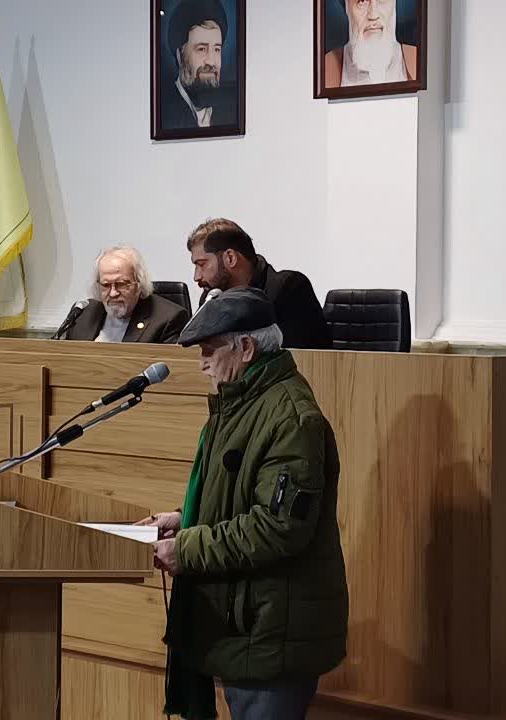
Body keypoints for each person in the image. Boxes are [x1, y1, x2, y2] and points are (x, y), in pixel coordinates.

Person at [137, 287, 348, 720]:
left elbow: (277, 526)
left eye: (209, 351)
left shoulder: (291, 418)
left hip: (272, 630)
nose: (202, 363)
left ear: (246, 348)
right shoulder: (244, 403)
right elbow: (238, 497)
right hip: (249, 624)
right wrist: (184, 519)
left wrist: (188, 548)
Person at [187, 218, 330, 350]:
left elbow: (301, 356)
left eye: (202, 264)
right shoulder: (211, 297)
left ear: (230, 258)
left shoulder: (289, 288)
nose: (196, 276)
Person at [65, 246, 190, 344]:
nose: (113, 293)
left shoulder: (168, 319)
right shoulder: (83, 313)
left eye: (121, 284)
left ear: (139, 284)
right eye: (106, 285)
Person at [160, 0, 238, 130]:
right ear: (180, 56)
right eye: (201, 49)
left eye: (217, 49)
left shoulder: (230, 110)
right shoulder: (165, 113)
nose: (211, 61)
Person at [324, 0, 418, 88]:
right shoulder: (327, 68)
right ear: (347, 8)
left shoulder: (416, 61)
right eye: (362, 1)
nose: (373, 15)